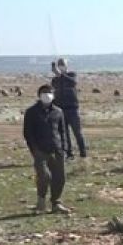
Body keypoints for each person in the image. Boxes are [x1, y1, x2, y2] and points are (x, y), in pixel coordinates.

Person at [23, 85, 70, 214]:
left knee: (60, 177)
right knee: (44, 175)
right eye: (44, 93)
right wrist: (34, 149)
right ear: (39, 95)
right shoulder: (31, 112)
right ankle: (41, 202)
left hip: (57, 149)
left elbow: (63, 131)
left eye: (49, 93)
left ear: (53, 95)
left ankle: (56, 203)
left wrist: (65, 149)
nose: (47, 95)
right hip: (40, 150)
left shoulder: (58, 112)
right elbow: (28, 133)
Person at [51, 58, 87, 159]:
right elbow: (55, 90)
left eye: (63, 65)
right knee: (64, 134)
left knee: (77, 132)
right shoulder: (55, 80)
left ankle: (83, 153)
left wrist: (61, 74)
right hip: (61, 110)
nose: (61, 66)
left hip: (72, 109)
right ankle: (69, 154)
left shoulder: (71, 75)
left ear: (67, 66)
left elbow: (73, 83)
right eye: (60, 65)